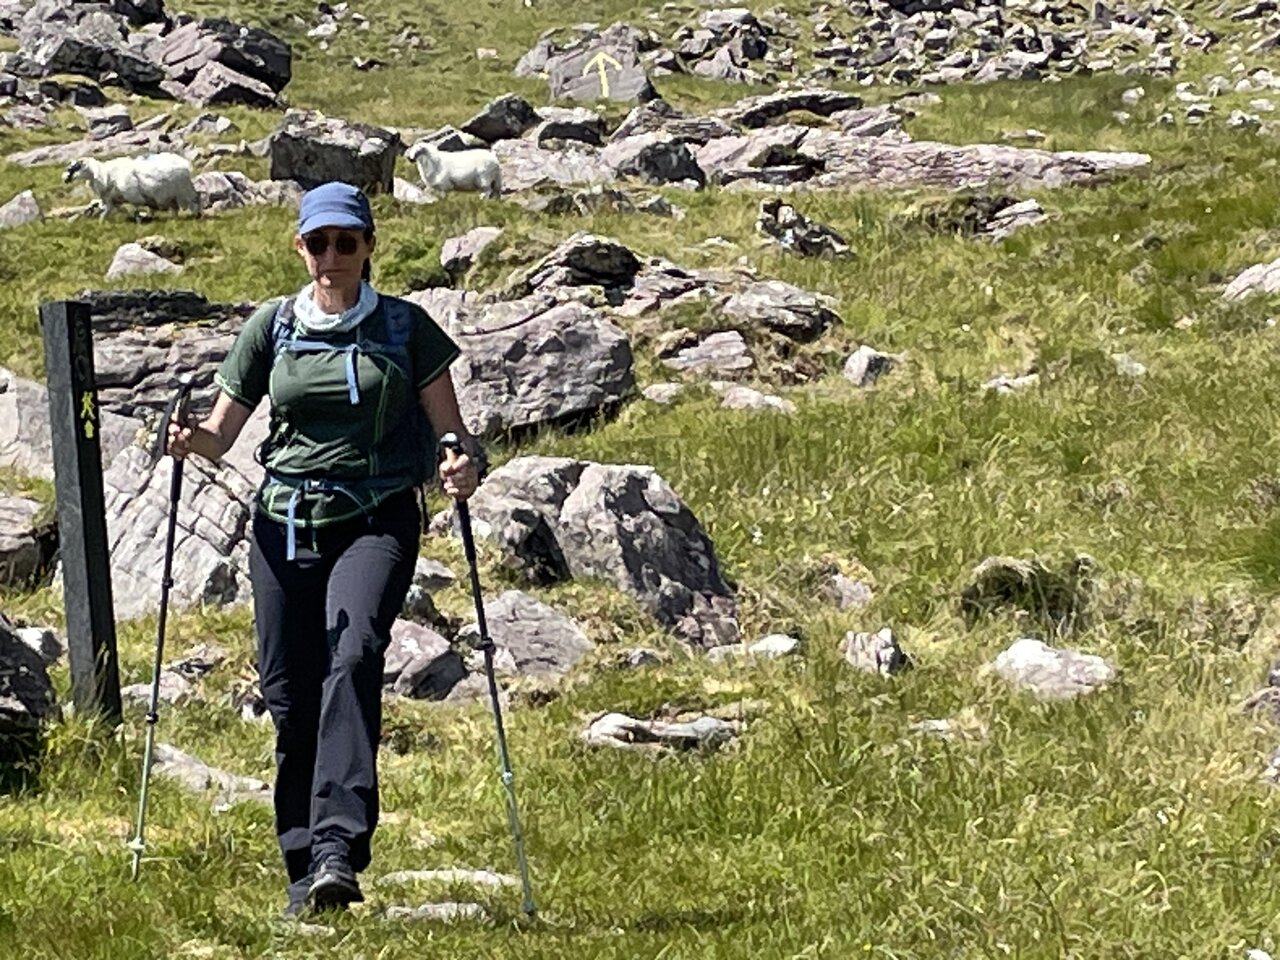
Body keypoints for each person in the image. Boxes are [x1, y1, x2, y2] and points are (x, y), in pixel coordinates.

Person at [166, 180, 482, 917]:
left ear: (369, 246)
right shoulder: (272, 327)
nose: (332, 255)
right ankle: (302, 868)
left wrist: (462, 465)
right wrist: (189, 439)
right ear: (300, 247)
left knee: (354, 651)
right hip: (281, 524)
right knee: (288, 692)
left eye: (346, 241)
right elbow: (220, 434)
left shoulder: (405, 328)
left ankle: (338, 848)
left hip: (375, 518)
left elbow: (454, 434)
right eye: (318, 242)